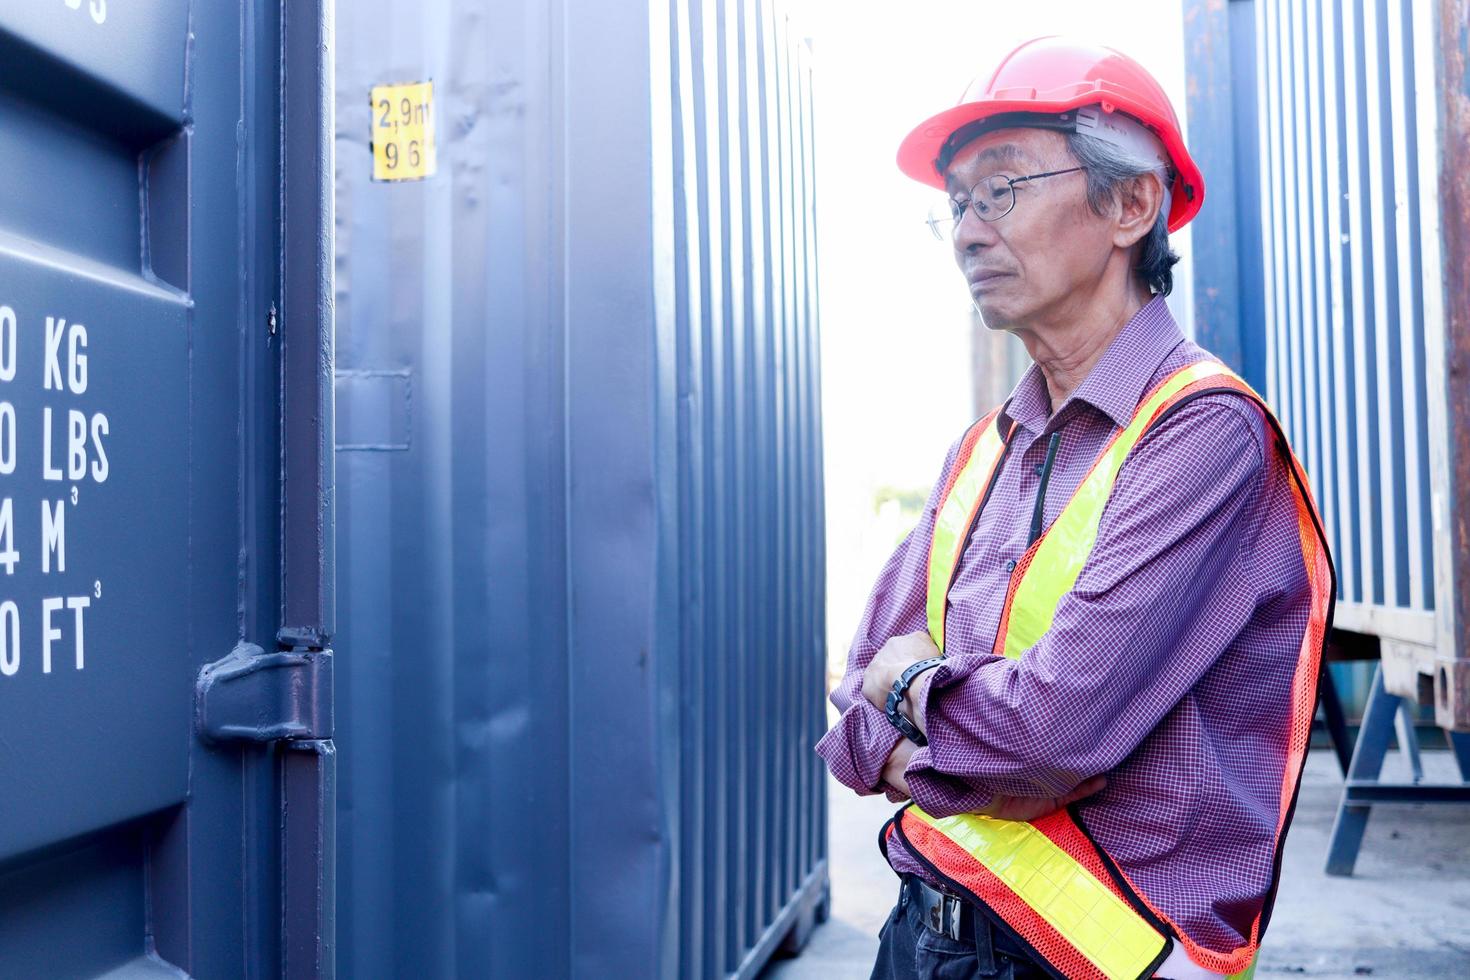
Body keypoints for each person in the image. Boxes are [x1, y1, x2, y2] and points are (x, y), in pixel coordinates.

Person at [815, 36, 1333, 980]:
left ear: (1132, 203)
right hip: (925, 937)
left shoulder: (1203, 436)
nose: (970, 231)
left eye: (1001, 189)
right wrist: (925, 715)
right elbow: (853, 693)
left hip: (1094, 959)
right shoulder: (985, 451)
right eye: (958, 204)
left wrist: (912, 701)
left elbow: (1050, 736)